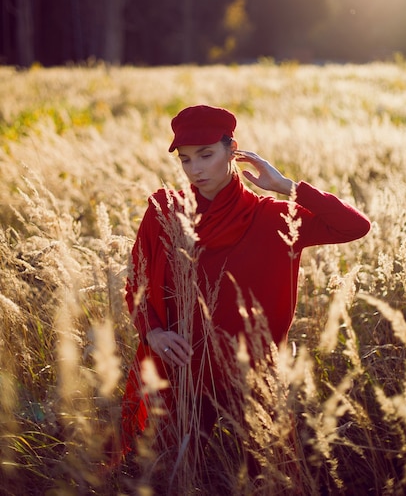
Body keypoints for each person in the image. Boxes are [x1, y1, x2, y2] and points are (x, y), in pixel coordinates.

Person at [121, 104, 371, 461]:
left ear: (232, 151)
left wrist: (286, 185)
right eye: (186, 160)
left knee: (267, 471)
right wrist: (153, 333)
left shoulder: (274, 217)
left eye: (206, 155)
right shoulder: (165, 210)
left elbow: (354, 226)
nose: (196, 169)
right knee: (169, 470)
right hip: (183, 370)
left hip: (251, 373)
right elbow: (137, 282)